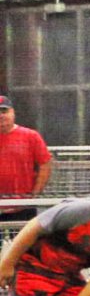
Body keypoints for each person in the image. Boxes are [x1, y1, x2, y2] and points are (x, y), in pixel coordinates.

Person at [0, 96, 52, 228]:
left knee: (26, 248)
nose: (1, 116)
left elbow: (45, 163)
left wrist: (34, 195)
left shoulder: (30, 136)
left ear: (13, 112)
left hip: (23, 206)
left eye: (4, 111)